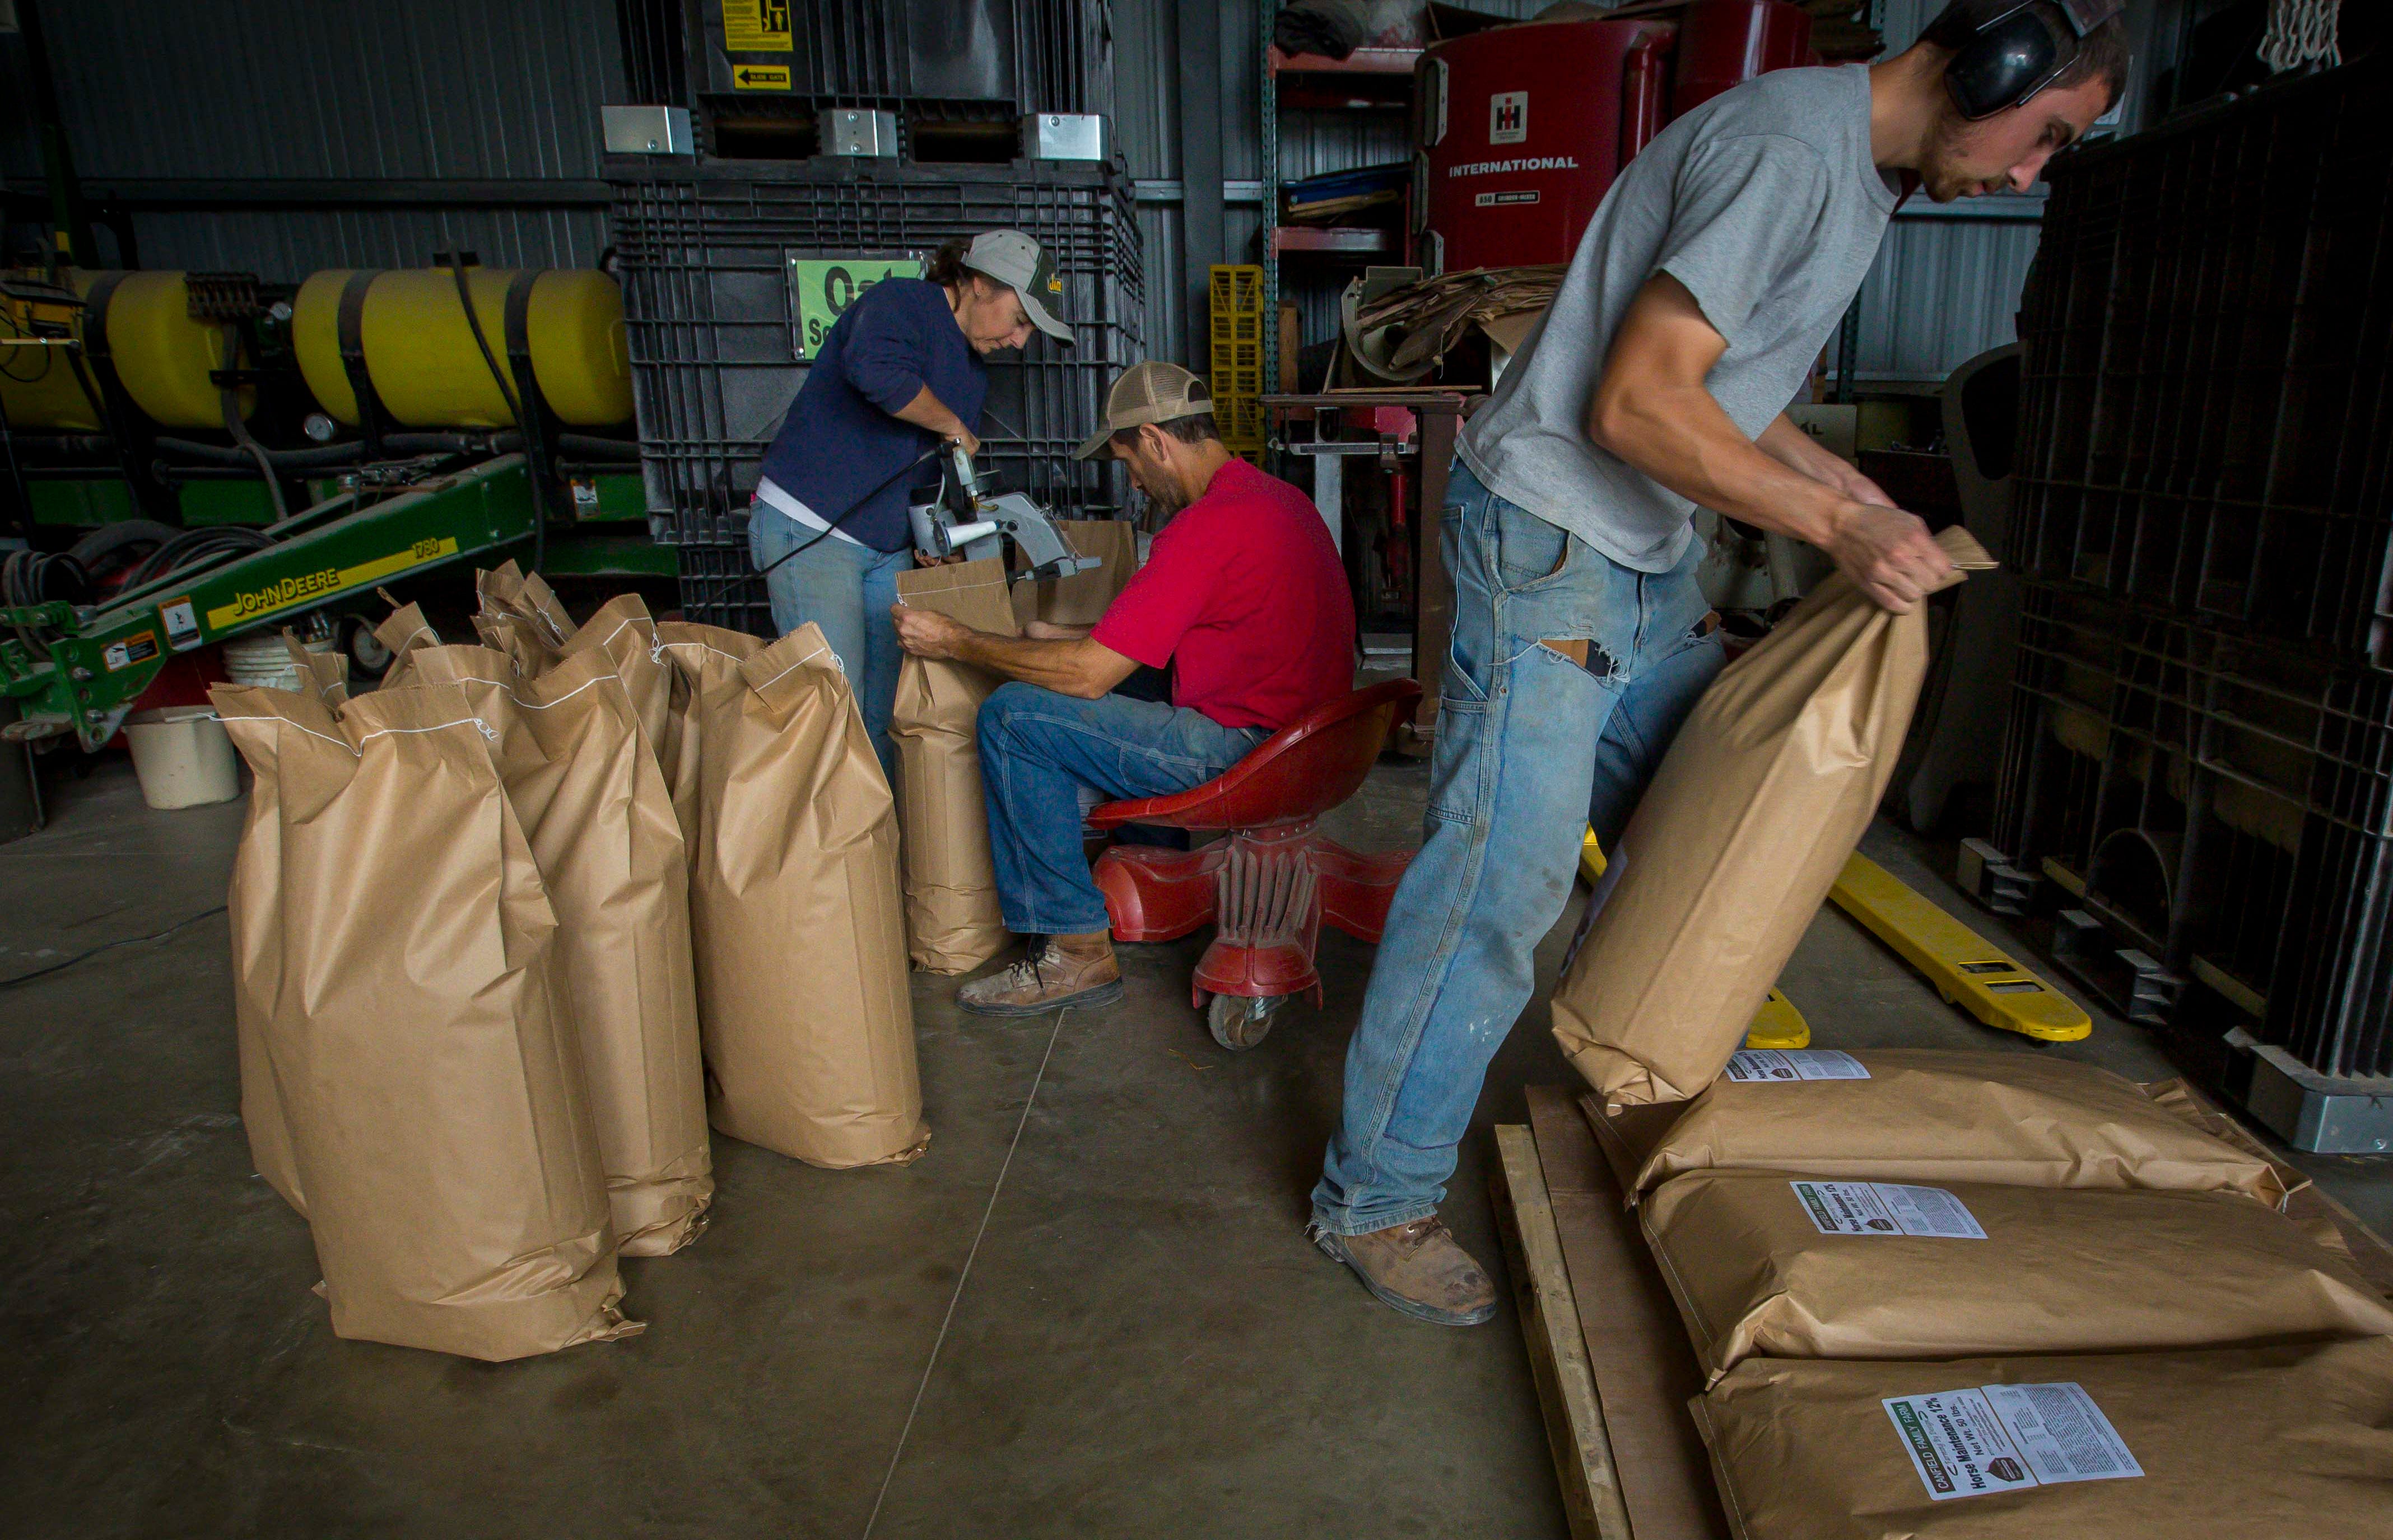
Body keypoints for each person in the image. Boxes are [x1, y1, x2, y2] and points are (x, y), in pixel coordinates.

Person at [1305, 0, 2130, 1326]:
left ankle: (1658, 1083)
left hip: (1643, 553)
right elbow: (1636, 402)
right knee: (1500, 882)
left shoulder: (1857, 174)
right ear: (1996, 69)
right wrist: (1839, 530)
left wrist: (1837, 482)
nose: (2030, 175)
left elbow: (1721, 389)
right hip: (1552, 539)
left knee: (1715, 816)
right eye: (2044, 137)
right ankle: (1374, 1197)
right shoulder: (1789, 153)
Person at [893, 362, 1355, 1018]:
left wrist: (955, 639)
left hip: (1251, 752)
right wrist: (1063, 636)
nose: (1133, 481)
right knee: (1122, 679)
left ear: (1157, 442)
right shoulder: (1277, 501)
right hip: (1319, 742)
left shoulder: (1204, 528)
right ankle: (1153, 867)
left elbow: (1088, 675)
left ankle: (1073, 950)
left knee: (1013, 718)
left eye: (1129, 462)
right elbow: (1181, 633)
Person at [751, 228, 1074, 766]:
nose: (1020, 342)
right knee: (836, 709)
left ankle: (882, 820)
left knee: (885, 710)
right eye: (1020, 320)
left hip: (885, 548)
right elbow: (872, 370)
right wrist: (949, 424)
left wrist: (935, 538)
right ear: (979, 283)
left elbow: (932, 468)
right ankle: (833, 824)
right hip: (811, 527)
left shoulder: (971, 373)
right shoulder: (902, 303)